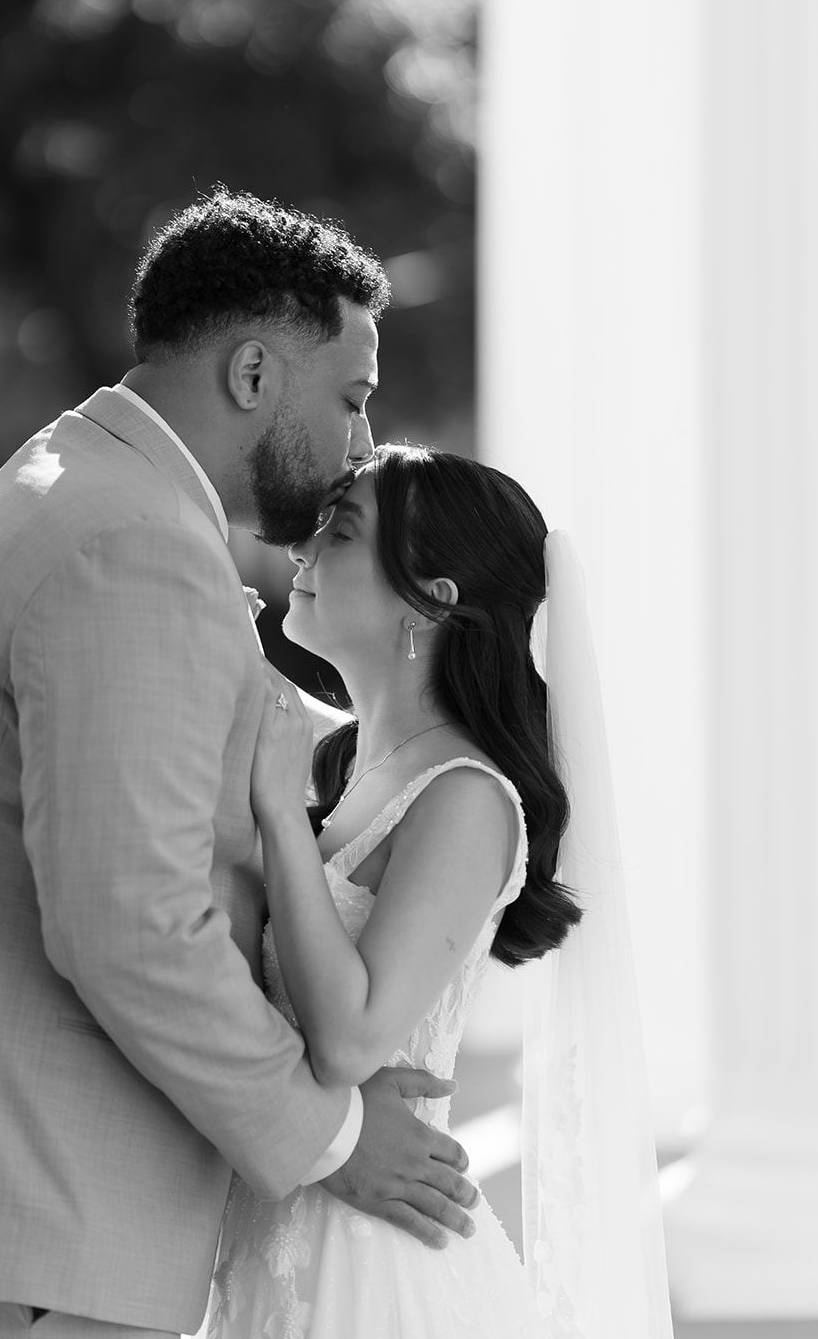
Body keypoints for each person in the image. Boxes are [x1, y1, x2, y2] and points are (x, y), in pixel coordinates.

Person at [0, 192, 478, 1339]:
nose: (358, 448)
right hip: (6, 1204)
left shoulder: (78, 486)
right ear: (251, 373)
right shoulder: (131, 546)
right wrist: (330, 1137)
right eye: (349, 399)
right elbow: (128, 922)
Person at [201, 443, 674, 1339]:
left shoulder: (465, 795)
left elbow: (347, 1040)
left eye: (339, 534)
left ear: (433, 599)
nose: (300, 554)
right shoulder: (340, 759)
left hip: (377, 1262)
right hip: (280, 1229)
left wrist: (272, 807)